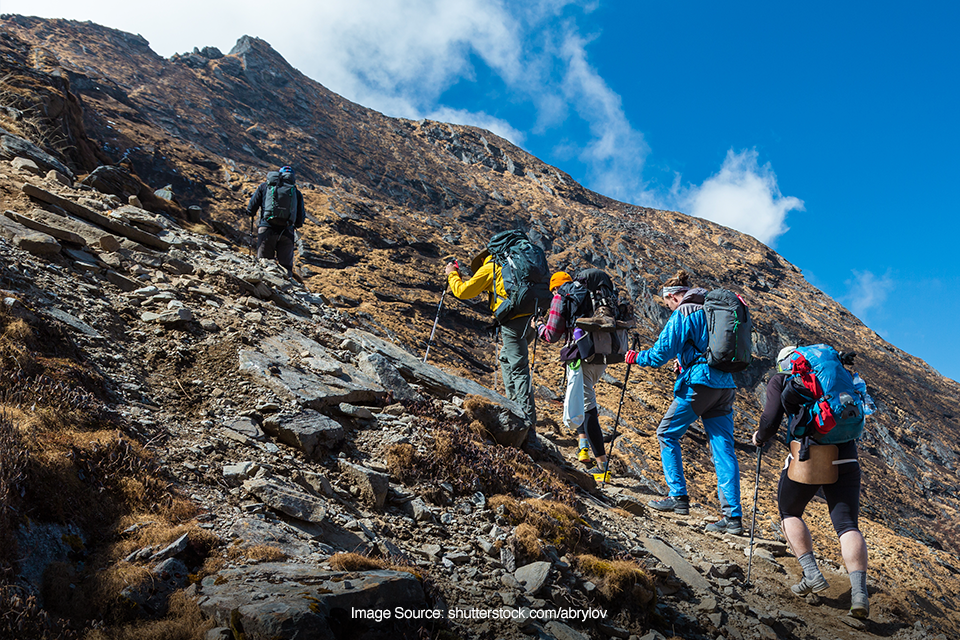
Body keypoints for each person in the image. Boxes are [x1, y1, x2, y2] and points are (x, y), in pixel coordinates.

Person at [751, 345, 870, 619]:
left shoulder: (782, 380)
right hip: (847, 454)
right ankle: (860, 595)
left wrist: (760, 437)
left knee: (789, 511)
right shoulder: (842, 376)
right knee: (847, 524)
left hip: (811, 455)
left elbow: (770, 420)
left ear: (785, 363)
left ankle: (812, 574)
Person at [623, 270, 743, 533]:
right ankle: (733, 517)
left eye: (667, 304)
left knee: (666, 433)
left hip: (700, 384)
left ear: (673, 296)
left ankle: (677, 497)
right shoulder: (714, 309)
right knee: (723, 449)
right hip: (726, 385)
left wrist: (635, 357)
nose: (668, 308)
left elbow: (658, 355)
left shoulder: (685, 312)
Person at [445, 254, 536, 433]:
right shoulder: (520, 266)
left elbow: (463, 291)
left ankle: (528, 424)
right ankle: (515, 409)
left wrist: (451, 275)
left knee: (518, 368)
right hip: (531, 319)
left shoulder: (491, 268)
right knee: (506, 358)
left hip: (513, 322)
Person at [535, 271, 610, 480]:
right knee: (584, 401)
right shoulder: (591, 295)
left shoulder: (561, 297)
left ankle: (603, 467)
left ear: (556, 287)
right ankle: (583, 447)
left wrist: (539, 326)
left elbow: (551, 334)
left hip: (579, 357)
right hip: (600, 356)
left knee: (587, 406)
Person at [247, 166, 306, 276]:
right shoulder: (296, 192)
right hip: (287, 232)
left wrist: (252, 213)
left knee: (263, 263)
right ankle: (287, 290)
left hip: (266, 229)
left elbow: (251, 208)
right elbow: (300, 219)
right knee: (286, 268)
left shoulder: (264, 187)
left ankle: (263, 288)